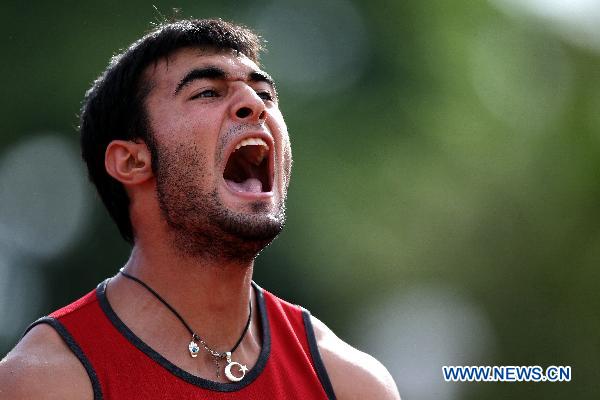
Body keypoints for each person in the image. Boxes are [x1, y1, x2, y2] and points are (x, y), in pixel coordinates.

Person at [0, 19, 400, 399]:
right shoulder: (45, 381)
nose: (253, 105)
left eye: (265, 94)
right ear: (132, 162)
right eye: (207, 92)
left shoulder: (349, 383)